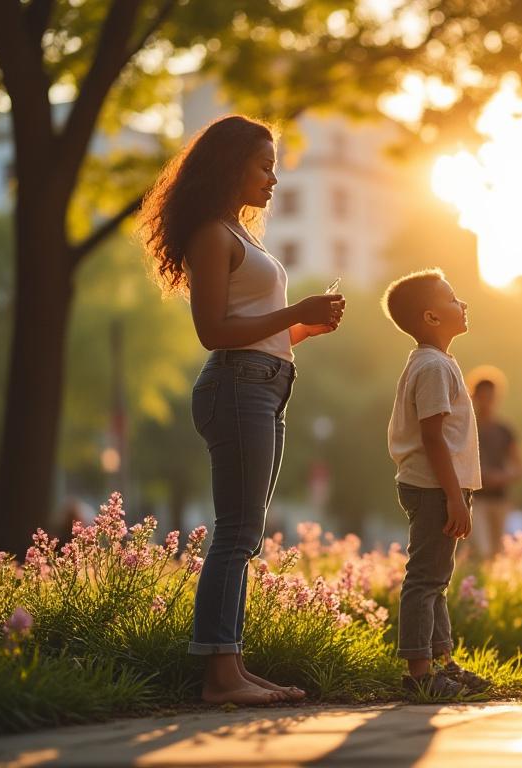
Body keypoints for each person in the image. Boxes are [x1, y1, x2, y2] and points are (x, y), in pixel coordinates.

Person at [141, 115, 345, 705]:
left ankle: (232, 667)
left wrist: (303, 327)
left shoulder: (241, 233)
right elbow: (213, 332)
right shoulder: (213, 233)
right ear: (232, 166)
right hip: (236, 387)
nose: (274, 179)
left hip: (264, 381)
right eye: (264, 166)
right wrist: (291, 313)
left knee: (245, 535)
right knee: (235, 534)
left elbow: (255, 332)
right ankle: (220, 677)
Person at [383, 268, 490, 698]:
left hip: (440, 486)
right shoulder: (431, 367)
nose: (462, 303)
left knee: (437, 578)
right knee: (425, 578)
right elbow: (432, 437)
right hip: (433, 487)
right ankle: (418, 673)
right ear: (430, 317)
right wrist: (453, 497)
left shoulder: (438, 362)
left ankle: (444, 662)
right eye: (452, 297)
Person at [467, 365, 522, 559]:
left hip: (500, 499)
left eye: (490, 396)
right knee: (481, 548)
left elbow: (520, 467)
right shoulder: (466, 428)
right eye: (482, 396)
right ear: (474, 396)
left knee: (495, 553)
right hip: (474, 499)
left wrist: (502, 477)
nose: (486, 401)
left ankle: (485, 588)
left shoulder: (505, 430)